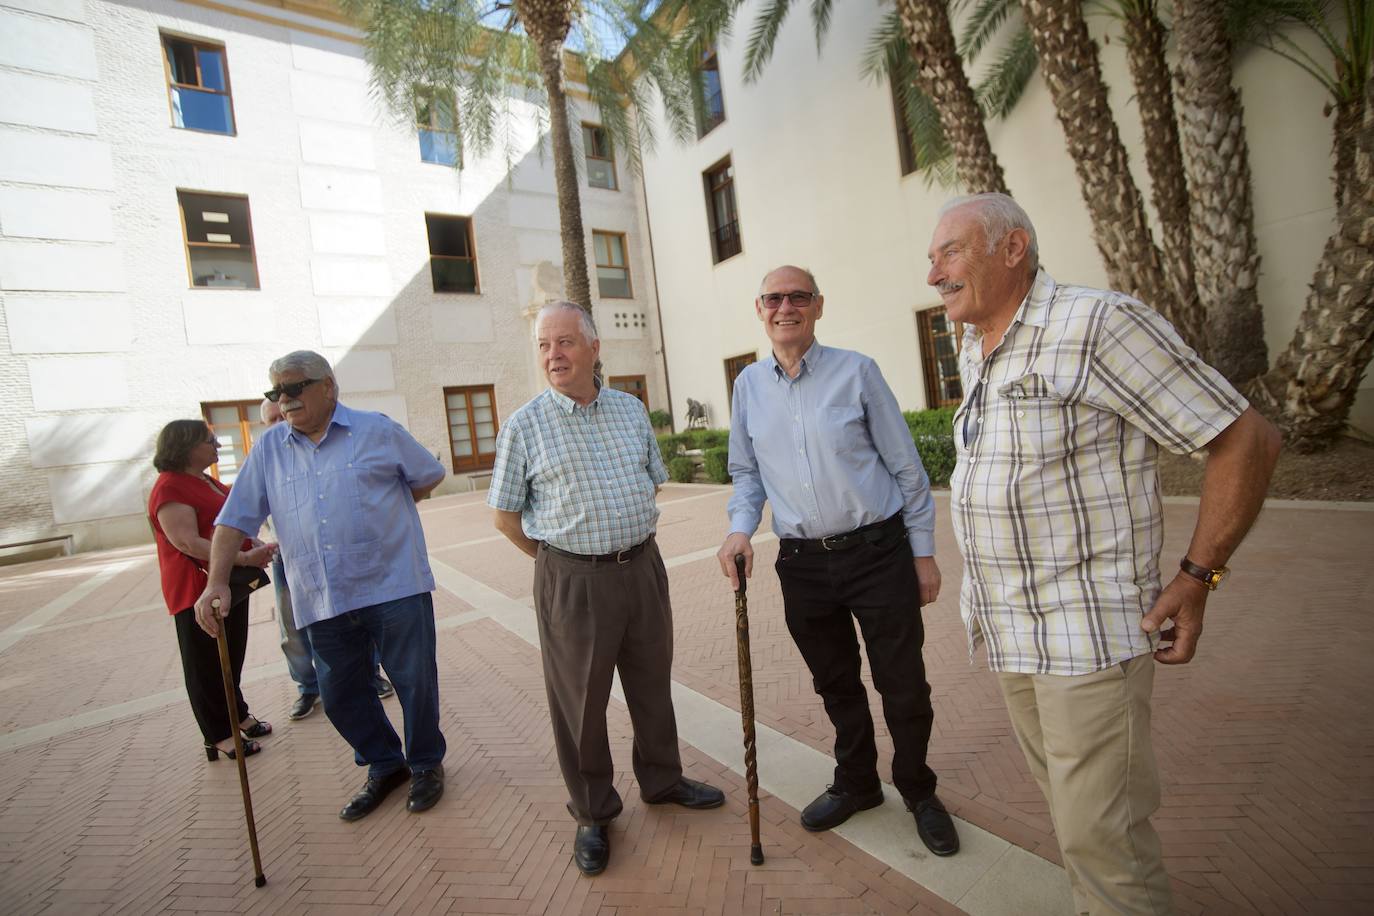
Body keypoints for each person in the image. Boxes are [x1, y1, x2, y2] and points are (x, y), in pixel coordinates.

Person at [928, 193, 1281, 914]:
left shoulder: (1096, 324)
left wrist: (1198, 576)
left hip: (1085, 636)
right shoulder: (976, 344)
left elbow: (1245, 438)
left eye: (951, 251)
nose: (934, 271)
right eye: (932, 257)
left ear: (1013, 248)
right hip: (1012, 635)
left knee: (1104, 839)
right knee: (1075, 821)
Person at [716, 266, 959, 858]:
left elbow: (907, 471)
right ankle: (858, 782)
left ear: (818, 306)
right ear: (760, 309)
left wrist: (922, 554)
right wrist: (739, 531)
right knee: (836, 685)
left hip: (878, 553)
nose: (786, 307)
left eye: (798, 297)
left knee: (902, 683)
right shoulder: (748, 386)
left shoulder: (858, 372)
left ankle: (919, 791)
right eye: (774, 298)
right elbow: (747, 476)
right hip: (802, 564)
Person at [488, 302, 725, 877]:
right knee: (581, 705)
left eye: (565, 342)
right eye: (544, 345)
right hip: (571, 579)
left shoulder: (630, 410)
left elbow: (652, 483)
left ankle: (663, 780)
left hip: (642, 568)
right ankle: (593, 811)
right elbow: (504, 517)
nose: (554, 355)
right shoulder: (525, 425)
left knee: (651, 683)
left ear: (595, 348)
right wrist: (559, 563)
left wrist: (621, 540)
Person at [195, 351, 448, 822]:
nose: (284, 400)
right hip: (321, 594)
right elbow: (234, 520)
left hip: (394, 584)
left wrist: (386, 509)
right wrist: (216, 583)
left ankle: (426, 764)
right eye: (275, 393)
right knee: (339, 694)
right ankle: (385, 763)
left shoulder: (378, 430)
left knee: (415, 682)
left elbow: (427, 476)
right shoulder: (269, 450)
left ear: (328, 386)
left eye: (294, 388)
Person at [147, 419, 275, 761]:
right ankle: (217, 733)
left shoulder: (203, 480)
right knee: (206, 664)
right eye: (210, 440)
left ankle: (238, 715)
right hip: (196, 588)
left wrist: (252, 545)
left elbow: (225, 525)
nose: (217, 445)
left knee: (230, 656)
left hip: (229, 579)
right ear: (186, 447)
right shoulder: (170, 488)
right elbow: (187, 541)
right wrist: (245, 555)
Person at [258, 399, 393, 721]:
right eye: (272, 419)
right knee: (292, 627)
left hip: (336, 553)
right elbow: (249, 507)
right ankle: (307, 688)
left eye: (282, 415)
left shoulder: (320, 450)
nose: (279, 422)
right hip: (287, 558)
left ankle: (370, 674)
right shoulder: (267, 457)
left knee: (356, 612)